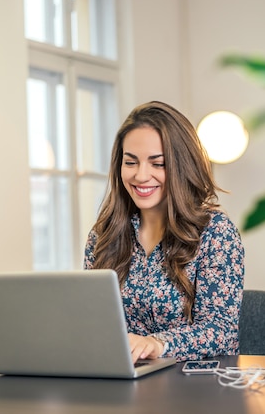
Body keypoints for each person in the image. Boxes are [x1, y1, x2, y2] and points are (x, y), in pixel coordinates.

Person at [83, 100, 245, 362]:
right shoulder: (103, 235)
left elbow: (222, 332)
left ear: (182, 167)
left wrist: (157, 344)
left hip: (195, 389)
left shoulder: (215, 233)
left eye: (158, 164)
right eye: (130, 162)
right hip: (122, 385)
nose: (141, 175)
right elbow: (93, 325)